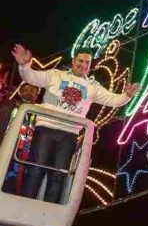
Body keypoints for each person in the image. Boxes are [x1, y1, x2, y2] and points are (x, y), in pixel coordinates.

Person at [10, 44, 140, 203]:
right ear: (73, 61)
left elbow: (114, 100)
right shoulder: (56, 75)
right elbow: (31, 77)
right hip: (46, 128)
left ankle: (48, 213)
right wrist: (24, 65)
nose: (84, 65)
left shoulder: (93, 86)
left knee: (59, 173)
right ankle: (23, 206)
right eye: (81, 61)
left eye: (87, 62)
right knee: (37, 168)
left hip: (69, 134)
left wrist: (127, 96)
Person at [1, 82, 42, 194]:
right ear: (19, 91)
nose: (29, 92)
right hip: (4, 146)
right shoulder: (7, 106)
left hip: (24, 153)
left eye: (33, 90)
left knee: (14, 184)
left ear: (37, 94)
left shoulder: (40, 112)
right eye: (26, 89)